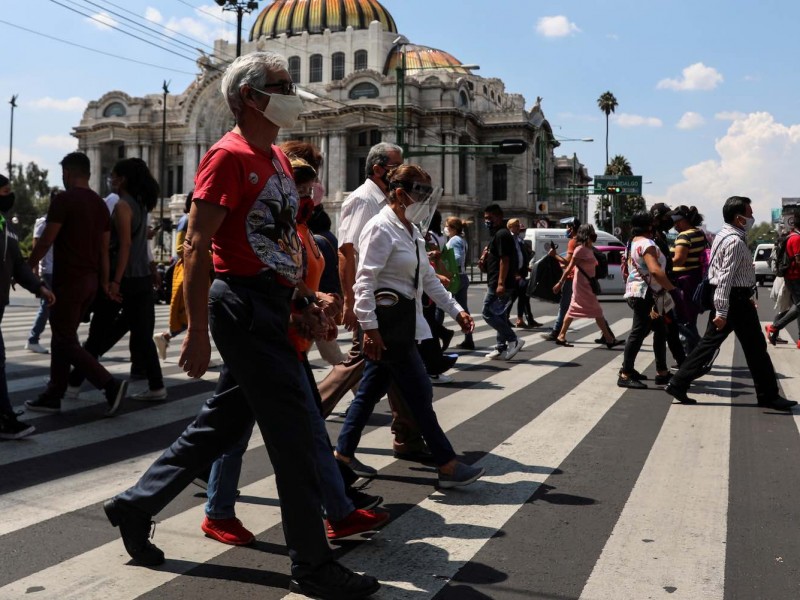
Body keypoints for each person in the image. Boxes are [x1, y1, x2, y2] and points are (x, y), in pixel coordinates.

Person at [102, 52, 381, 599]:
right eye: (281, 84)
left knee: (221, 426)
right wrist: (200, 331)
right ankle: (313, 564)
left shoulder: (274, 157)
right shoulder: (226, 156)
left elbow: (273, 245)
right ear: (249, 97)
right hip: (241, 308)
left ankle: (135, 504)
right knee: (298, 437)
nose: (292, 92)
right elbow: (198, 244)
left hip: (274, 304)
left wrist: (305, 296)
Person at [334, 164, 484, 489]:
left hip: (402, 326)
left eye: (427, 193)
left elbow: (428, 279)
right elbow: (364, 281)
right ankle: (446, 462)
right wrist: (369, 329)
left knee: (371, 392)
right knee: (418, 393)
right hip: (386, 328)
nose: (424, 200)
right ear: (400, 193)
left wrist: (456, 310)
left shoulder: (411, 230)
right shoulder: (380, 228)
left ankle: (342, 456)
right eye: (420, 192)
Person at [317, 142, 433, 464]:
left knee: (392, 372)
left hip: (392, 309)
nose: (400, 171)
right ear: (380, 169)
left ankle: (408, 437)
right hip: (374, 307)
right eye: (396, 166)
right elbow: (346, 252)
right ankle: (310, 416)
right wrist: (353, 303)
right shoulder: (362, 199)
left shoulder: (387, 201)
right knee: (360, 367)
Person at [664, 196, 797, 411]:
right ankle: (768, 396)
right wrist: (723, 311)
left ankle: (678, 382)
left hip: (732, 299)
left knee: (709, 345)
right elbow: (725, 277)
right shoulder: (734, 241)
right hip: (733, 301)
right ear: (739, 218)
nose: (752, 217)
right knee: (756, 349)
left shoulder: (724, 235)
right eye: (749, 213)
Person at [25, 153, 128, 417]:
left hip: (68, 280)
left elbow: (47, 239)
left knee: (65, 339)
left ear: (69, 173)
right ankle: (54, 393)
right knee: (63, 337)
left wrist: (28, 266)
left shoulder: (63, 200)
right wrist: (105, 282)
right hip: (91, 281)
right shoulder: (99, 204)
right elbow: (104, 251)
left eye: (63, 174)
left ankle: (109, 384)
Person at [66, 158, 167, 402]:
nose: (110, 180)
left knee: (98, 333)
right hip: (141, 278)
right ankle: (156, 386)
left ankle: (73, 383)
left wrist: (115, 281)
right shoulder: (142, 205)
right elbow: (140, 245)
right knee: (142, 335)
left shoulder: (123, 206)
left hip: (125, 278)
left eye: (113, 176)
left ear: (122, 180)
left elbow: (125, 246)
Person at [0, 175, 55, 440]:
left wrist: (39, 286)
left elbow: (19, 263)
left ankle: (4, 415)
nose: (10, 196)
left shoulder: (7, 226)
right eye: (5, 191)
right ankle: (5, 418)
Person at [617, 212, 677, 389]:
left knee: (660, 330)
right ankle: (625, 373)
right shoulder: (647, 244)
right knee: (638, 332)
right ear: (650, 226)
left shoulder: (633, 242)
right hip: (647, 295)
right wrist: (672, 289)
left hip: (639, 292)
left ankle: (662, 372)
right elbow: (656, 270)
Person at [552, 224, 621, 349]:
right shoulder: (580, 249)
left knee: (573, 309)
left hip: (586, 283)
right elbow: (569, 267)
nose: (594, 234)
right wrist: (560, 283)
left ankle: (561, 336)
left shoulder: (589, 248)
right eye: (592, 232)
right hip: (582, 285)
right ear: (586, 234)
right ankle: (609, 339)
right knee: (597, 311)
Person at [153, 193, 193, 361]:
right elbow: (178, 249)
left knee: (196, 316)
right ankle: (166, 337)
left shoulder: (192, 218)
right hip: (188, 272)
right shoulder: (186, 219)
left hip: (198, 271)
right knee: (189, 315)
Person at [482, 204, 524, 360]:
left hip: (500, 284)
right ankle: (501, 347)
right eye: (485, 218)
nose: (487, 221)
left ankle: (514, 339)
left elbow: (505, 260)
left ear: (499, 217)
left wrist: (500, 283)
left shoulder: (502, 234)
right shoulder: (498, 234)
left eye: (489, 218)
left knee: (488, 313)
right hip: (498, 281)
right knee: (499, 315)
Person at [649, 203, 686, 367]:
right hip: (658, 289)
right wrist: (669, 287)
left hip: (662, 287)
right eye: (666, 217)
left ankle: (676, 364)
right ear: (657, 219)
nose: (670, 220)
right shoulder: (652, 238)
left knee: (666, 329)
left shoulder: (659, 236)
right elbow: (656, 267)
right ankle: (627, 370)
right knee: (660, 329)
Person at [669, 205, 707, 353]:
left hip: (684, 282)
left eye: (677, 221)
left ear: (685, 220)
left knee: (680, 320)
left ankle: (700, 349)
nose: (675, 225)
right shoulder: (699, 233)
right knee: (690, 319)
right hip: (695, 279)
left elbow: (679, 259)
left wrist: (661, 263)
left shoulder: (685, 236)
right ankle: (692, 355)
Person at [765, 208, 800, 348]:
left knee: (797, 307)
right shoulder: (796, 238)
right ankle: (774, 326)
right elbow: (798, 260)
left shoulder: (792, 236)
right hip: (795, 277)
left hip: (792, 276)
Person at [542, 217, 580, 342]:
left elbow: (568, 262)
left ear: (573, 227)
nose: (566, 229)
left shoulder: (573, 241)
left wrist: (554, 255)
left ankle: (556, 332)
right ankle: (607, 334)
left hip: (572, 277)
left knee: (564, 306)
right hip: (579, 277)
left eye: (568, 226)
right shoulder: (581, 240)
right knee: (592, 307)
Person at [25, 207, 54, 354]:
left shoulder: (57, 221)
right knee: (47, 306)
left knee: (52, 306)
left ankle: (33, 339)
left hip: (56, 270)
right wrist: (36, 274)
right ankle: (33, 339)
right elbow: (36, 248)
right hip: (48, 271)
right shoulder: (43, 222)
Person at [445, 216, 474, 350]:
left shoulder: (454, 240)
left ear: (453, 228)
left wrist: (445, 266)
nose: (445, 228)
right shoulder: (462, 240)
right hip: (462, 277)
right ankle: (469, 339)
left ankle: (437, 335)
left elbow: (456, 258)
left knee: (441, 306)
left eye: (447, 226)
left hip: (455, 278)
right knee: (463, 309)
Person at [507, 218, 540, 328]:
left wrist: (526, 267)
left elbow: (522, 255)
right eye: (516, 226)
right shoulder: (509, 239)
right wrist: (514, 273)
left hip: (521, 273)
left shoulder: (519, 240)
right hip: (514, 274)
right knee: (516, 297)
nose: (518, 228)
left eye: (519, 226)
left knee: (521, 296)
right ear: (510, 227)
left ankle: (521, 319)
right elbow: (509, 258)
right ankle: (510, 318)